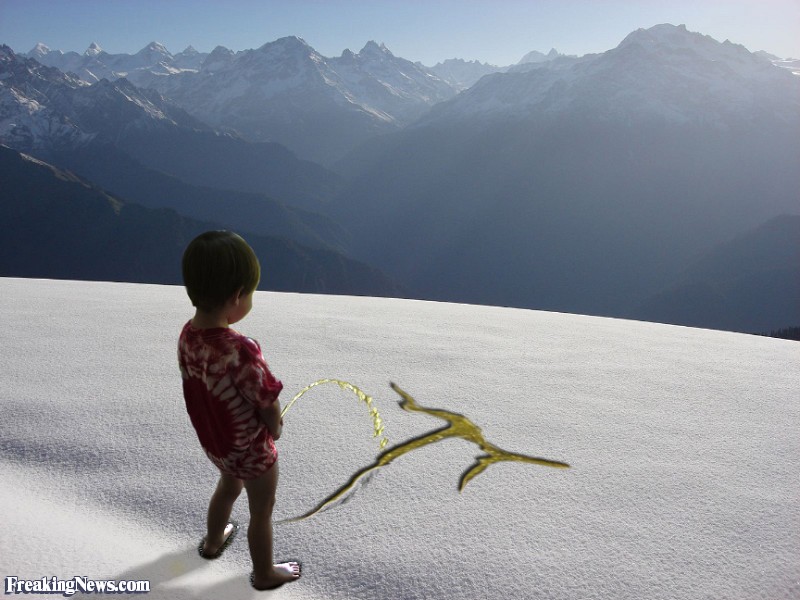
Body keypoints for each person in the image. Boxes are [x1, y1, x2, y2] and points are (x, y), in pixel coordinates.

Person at [177, 230, 301, 590]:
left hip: (216, 442)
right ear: (237, 297)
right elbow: (265, 398)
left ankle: (213, 542)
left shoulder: (188, 334)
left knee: (228, 486)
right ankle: (264, 574)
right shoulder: (240, 349)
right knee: (261, 509)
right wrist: (275, 427)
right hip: (250, 449)